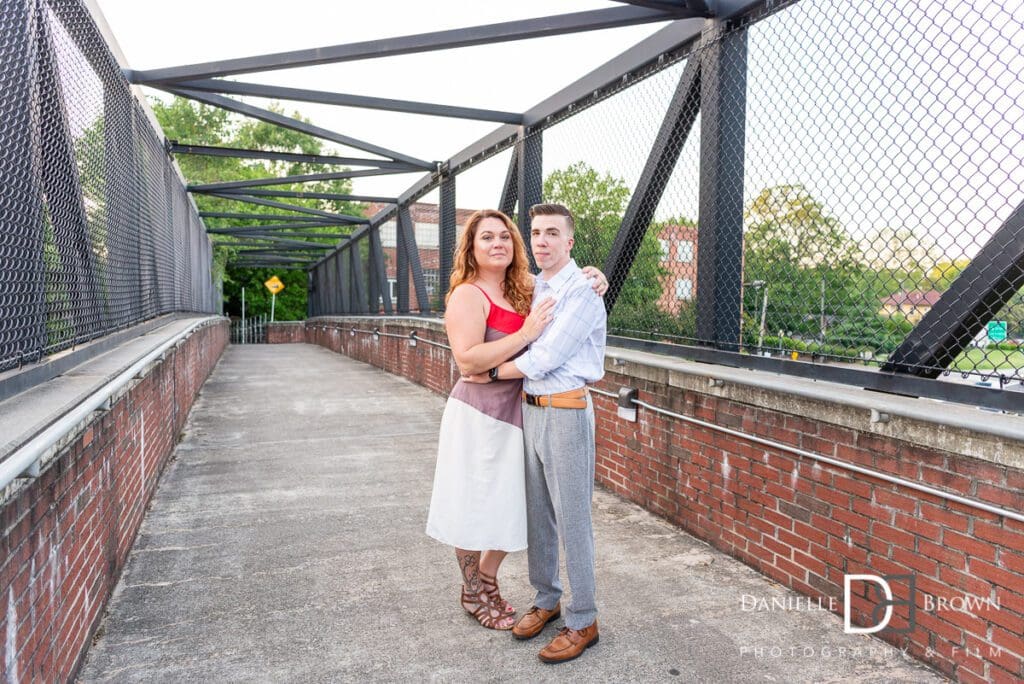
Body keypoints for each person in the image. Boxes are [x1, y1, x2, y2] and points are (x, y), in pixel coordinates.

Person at [425, 209, 607, 631]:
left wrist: (597, 278)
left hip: (519, 410)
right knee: (474, 504)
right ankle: (474, 591)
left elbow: (570, 291)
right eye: (486, 237)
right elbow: (466, 359)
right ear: (471, 247)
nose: (497, 244)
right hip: (478, 413)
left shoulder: (525, 287)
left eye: (504, 237)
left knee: (513, 506)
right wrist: (523, 336)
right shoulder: (468, 294)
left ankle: (492, 581)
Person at [484, 203, 607, 663]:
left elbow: (545, 357)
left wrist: (491, 372)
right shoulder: (536, 287)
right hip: (531, 410)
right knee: (539, 515)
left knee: (573, 519)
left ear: (569, 241)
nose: (541, 240)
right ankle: (547, 598)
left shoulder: (582, 292)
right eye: (535, 232)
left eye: (552, 232)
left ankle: (584, 619)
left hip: (566, 411)